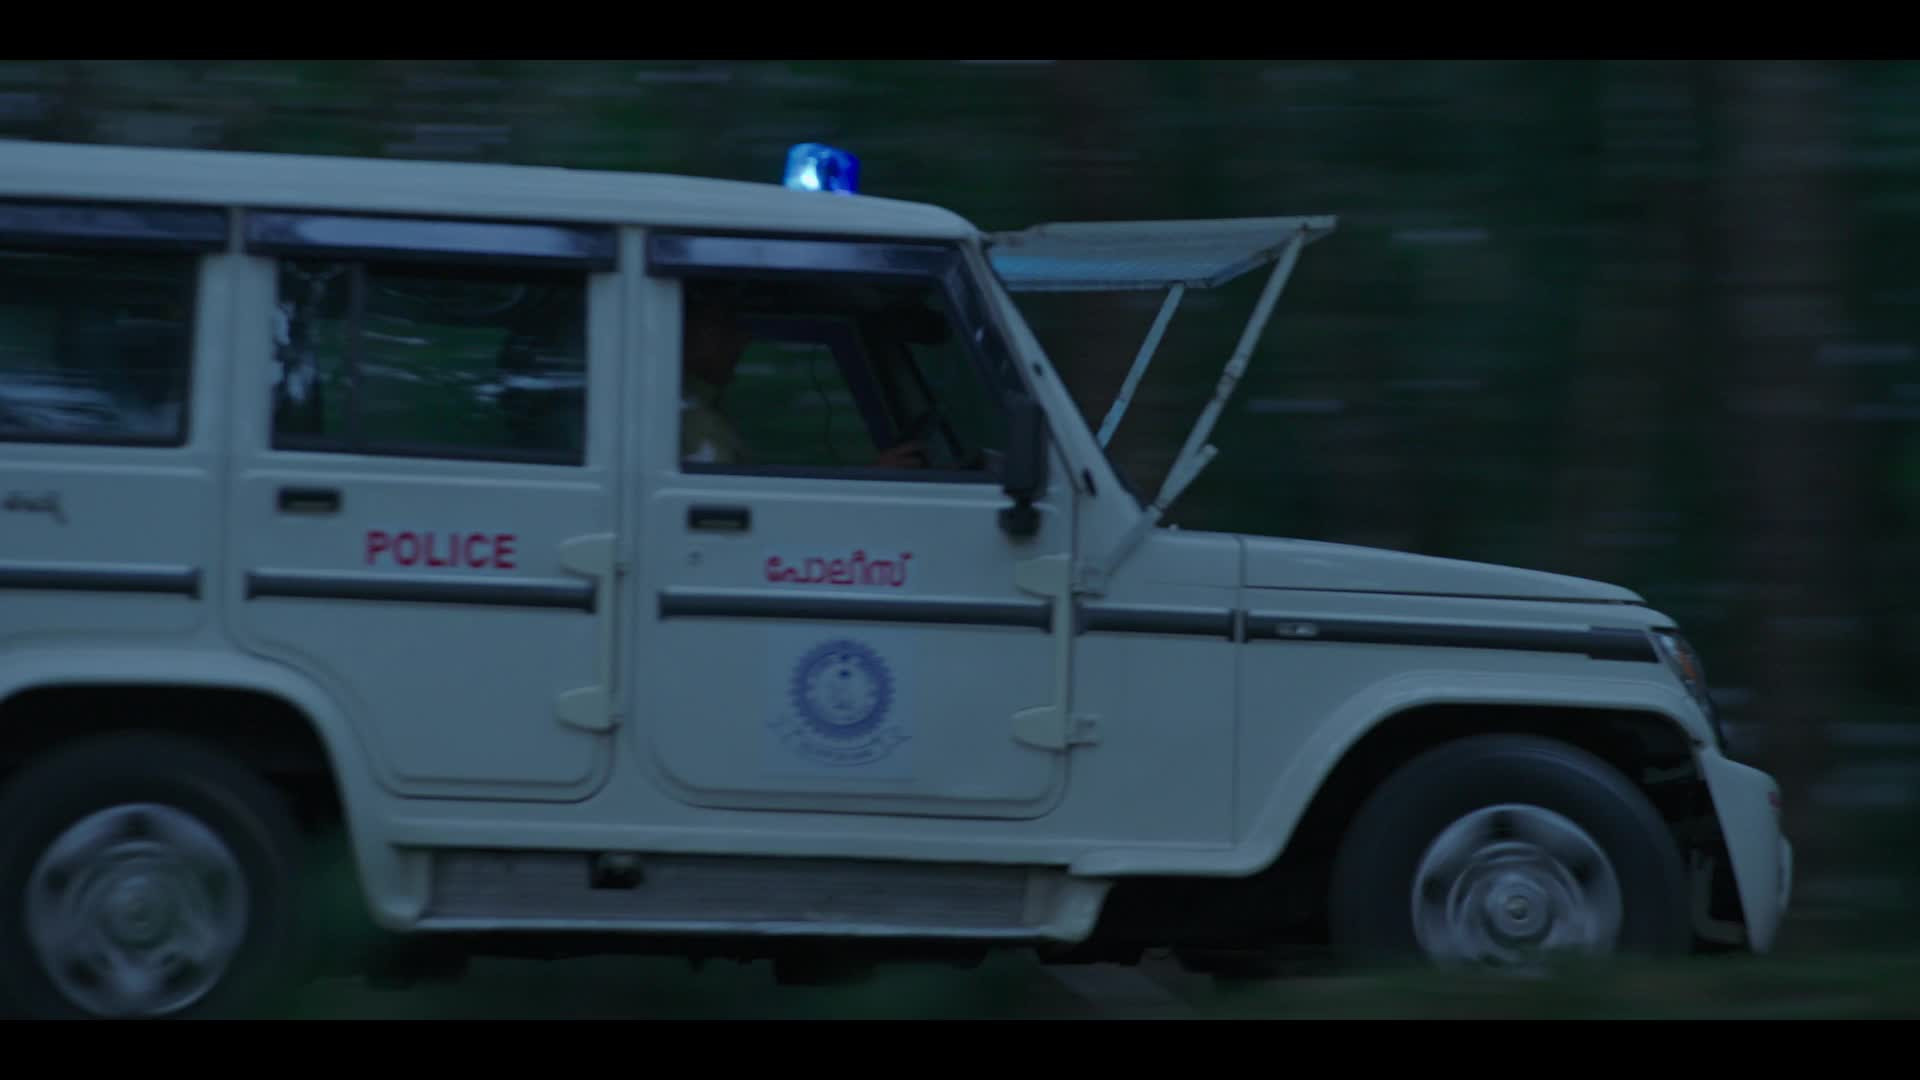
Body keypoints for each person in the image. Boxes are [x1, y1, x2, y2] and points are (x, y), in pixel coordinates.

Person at [678, 290, 927, 469]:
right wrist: (870, 483)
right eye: (723, 324)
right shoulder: (692, 419)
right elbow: (740, 508)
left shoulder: (695, 412)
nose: (744, 338)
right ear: (685, 331)